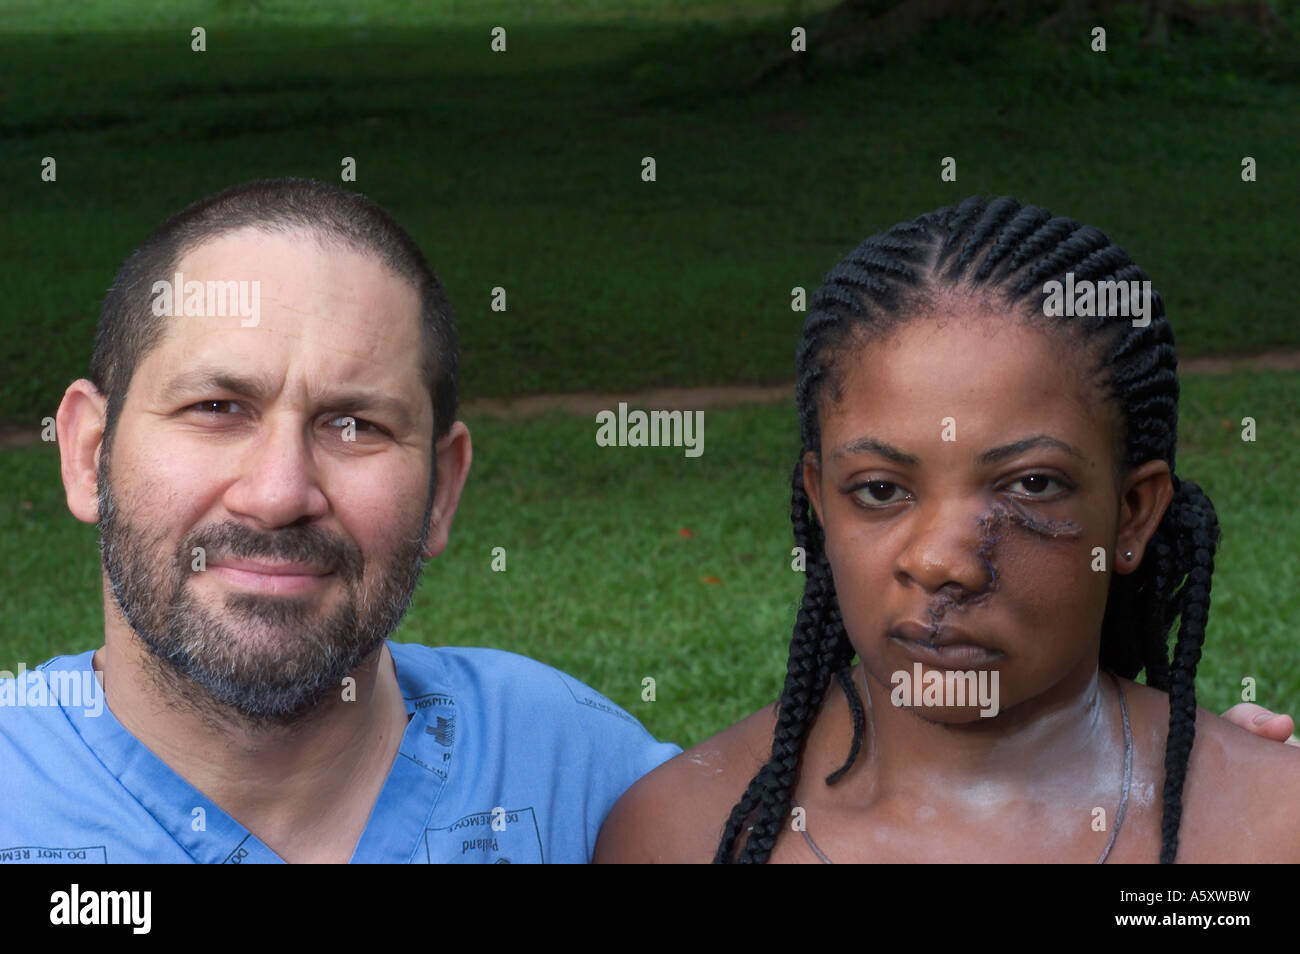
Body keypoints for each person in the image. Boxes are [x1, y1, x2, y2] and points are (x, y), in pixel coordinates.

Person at [593, 196, 1300, 863]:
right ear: (819, 504)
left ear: (1132, 513)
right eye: (879, 490)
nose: (942, 563)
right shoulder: (681, 832)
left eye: (1031, 485)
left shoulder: (1265, 826)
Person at [0, 178, 679, 864]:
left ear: (442, 489)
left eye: (355, 425)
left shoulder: (577, 775)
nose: (279, 494)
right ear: (88, 453)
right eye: (216, 408)